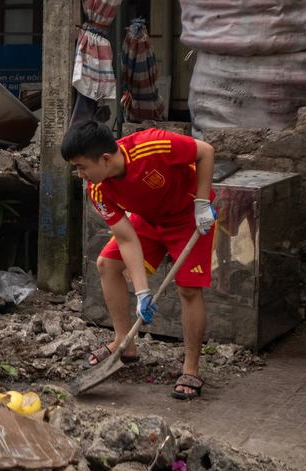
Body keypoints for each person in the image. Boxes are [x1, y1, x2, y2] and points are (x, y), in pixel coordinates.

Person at [60, 121, 217, 400]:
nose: (80, 174)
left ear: (105, 159)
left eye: (82, 166)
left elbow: (205, 151)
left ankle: (191, 367)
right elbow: (126, 238)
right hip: (148, 220)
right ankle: (125, 342)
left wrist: (202, 202)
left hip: (189, 216)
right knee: (108, 264)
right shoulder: (98, 190)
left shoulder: (152, 145)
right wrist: (143, 292)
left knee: (189, 288)